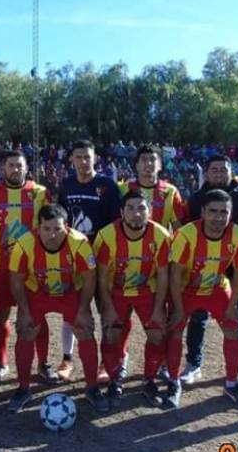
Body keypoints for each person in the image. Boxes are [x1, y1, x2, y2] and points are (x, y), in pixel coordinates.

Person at [7, 204, 109, 413]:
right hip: (38, 292)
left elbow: (90, 278)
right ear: (38, 227)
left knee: (85, 329)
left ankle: (91, 388)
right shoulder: (24, 244)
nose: (52, 235)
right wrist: (24, 311)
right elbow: (16, 280)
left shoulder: (79, 243)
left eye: (58, 229)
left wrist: (82, 310)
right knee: (26, 330)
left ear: (67, 227)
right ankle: (23, 388)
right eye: (47, 229)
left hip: (71, 292)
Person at [179, 154, 238, 387]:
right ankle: (193, 365)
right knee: (198, 317)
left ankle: (234, 370)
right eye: (214, 169)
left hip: (236, 267)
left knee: (234, 318)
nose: (219, 173)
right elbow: (187, 231)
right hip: (203, 268)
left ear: (231, 171)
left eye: (224, 168)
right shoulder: (196, 199)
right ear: (206, 173)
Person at [166, 189, 238, 409]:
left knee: (233, 328)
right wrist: (177, 307)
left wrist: (233, 306)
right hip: (186, 290)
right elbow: (174, 275)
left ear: (230, 214)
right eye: (212, 211)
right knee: (175, 329)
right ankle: (173, 382)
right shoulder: (186, 235)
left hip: (216, 288)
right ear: (203, 213)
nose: (218, 217)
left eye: (224, 212)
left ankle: (232, 384)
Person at [0, 150, 54, 383]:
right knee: (1, 317)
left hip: (31, 267)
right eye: (11, 165)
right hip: (1, 267)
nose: (15, 169)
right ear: (3, 168)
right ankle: (1, 363)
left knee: (37, 316)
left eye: (20, 165)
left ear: (27, 168)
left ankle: (43, 363)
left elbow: (53, 223)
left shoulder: (39, 193)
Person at [117, 144, 187, 380]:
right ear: (136, 164)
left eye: (152, 160)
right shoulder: (123, 188)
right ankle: (120, 360)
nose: (148, 164)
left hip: (159, 266)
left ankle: (164, 364)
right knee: (120, 319)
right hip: (127, 264)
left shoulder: (170, 192)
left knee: (161, 319)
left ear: (159, 164)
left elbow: (179, 230)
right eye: (144, 160)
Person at [95, 191, 170, 408]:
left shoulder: (161, 235)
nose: (136, 213)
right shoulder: (106, 235)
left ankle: (149, 380)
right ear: (121, 212)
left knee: (157, 333)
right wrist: (106, 307)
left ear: (150, 211)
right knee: (111, 334)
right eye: (130, 208)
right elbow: (101, 276)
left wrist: (158, 309)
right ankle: (115, 380)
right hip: (116, 291)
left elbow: (164, 275)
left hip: (147, 290)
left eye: (141, 208)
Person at [57, 139, 121, 381]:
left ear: (95, 159)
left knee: (106, 311)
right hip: (75, 260)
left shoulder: (107, 185)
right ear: (71, 159)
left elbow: (117, 222)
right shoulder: (66, 185)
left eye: (88, 157)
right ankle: (67, 359)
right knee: (72, 311)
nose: (83, 161)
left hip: (104, 260)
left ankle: (106, 362)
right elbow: (61, 219)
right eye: (79, 157)